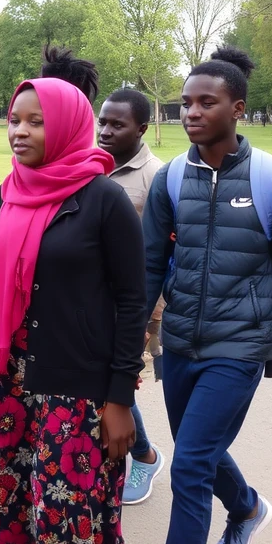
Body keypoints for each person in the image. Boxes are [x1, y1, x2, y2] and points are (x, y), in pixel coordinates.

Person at [142, 46, 272, 544]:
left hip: (241, 346)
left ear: (238, 108)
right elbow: (150, 267)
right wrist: (128, 337)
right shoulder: (172, 178)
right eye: (185, 104)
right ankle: (246, 507)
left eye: (206, 103)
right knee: (196, 452)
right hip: (179, 343)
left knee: (190, 466)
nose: (192, 114)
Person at [0, 78, 146, 544]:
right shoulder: (5, 196)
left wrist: (120, 398)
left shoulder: (103, 200)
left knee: (69, 523)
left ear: (65, 126)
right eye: (15, 120)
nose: (20, 131)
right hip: (8, 385)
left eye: (36, 122)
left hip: (78, 393)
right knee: (5, 515)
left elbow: (131, 303)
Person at [97, 87, 168, 506]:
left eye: (116, 124)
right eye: (102, 121)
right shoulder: (92, 167)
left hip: (134, 305)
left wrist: (148, 317)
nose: (105, 131)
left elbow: (160, 253)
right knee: (104, 383)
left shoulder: (154, 176)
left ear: (141, 129)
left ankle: (144, 454)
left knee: (118, 384)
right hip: (92, 301)